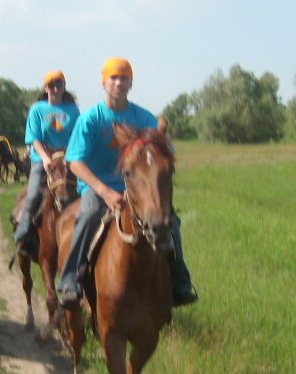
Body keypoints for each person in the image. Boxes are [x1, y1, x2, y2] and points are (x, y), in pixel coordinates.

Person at [56, 57, 196, 310]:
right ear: (103, 82)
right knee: (87, 216)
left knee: (170, 220)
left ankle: (180, 280)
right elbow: (75, 162)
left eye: (124, 78)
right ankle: (69, 281)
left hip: (137, 189)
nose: (119, 82)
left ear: (131, 83)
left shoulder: (144, 118)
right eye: (114, 77)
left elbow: (165, 153)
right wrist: (105, 192)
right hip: (97, 188)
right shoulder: (90, 119)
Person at [12, 70, 80, 254]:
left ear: (64, 87)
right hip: (42, 159)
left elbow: (77, 136)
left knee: (82, 192)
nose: (55, 88)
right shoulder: (37, 109)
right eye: (52, 85)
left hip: (67, 161)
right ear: (45, 88)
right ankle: (23, 232)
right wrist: (44, 157)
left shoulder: (73, 110)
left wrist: (72, 157)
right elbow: (34, 138)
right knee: (33, 195)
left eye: (59, 84)